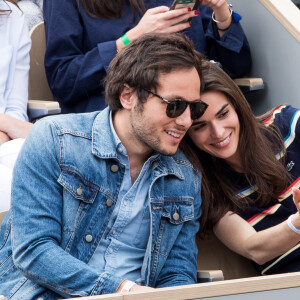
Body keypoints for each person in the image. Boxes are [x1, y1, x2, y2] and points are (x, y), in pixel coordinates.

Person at [0, 33, 205, 299]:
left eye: (195, 108)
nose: (186, 121)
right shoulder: (54, 140)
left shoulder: (185, 177)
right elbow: (34, 251)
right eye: (175, 105)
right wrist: (122, 290)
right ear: (128, 96)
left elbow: (177, 274)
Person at [183, 60, 300, 276]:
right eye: (200, 126)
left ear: (238, 107)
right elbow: (254, 248)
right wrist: (297, 224)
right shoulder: (206, 189)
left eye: (223, 114)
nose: (218, 132)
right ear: (187, 134)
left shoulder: (286, 123)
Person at [43, 0, 251, 114]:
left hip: (192, 115)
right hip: (117, 117)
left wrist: (222, 12)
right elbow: (63, 79)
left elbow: (237, 66)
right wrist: (131, 40)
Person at [0, 0, 33, 211]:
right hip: (6, 132)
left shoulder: (12, 16)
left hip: (5, 138)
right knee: (17, 190)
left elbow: (15, 106)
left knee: (49, 166)